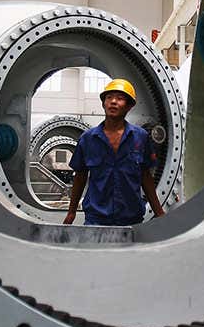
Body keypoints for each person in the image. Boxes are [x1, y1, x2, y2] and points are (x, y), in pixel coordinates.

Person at [64, 77, 166, 226]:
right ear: (103, 104)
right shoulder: (88, 139)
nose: (113, 102)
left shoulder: (140, 137)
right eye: (109, 97)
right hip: (96, 219)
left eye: (120, 98)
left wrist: (159, 212)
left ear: (129, 106)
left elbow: (146, 177)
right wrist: (71, 212)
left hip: (131, 219)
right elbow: (80, 177)